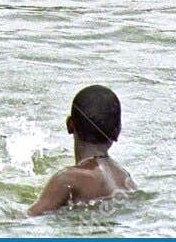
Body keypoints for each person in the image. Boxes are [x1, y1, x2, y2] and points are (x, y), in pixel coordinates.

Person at [26, 84, 134, 216]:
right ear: (117, 132)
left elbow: (28, 217)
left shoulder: (67, 179)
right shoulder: (124, 178)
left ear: (69, 125)